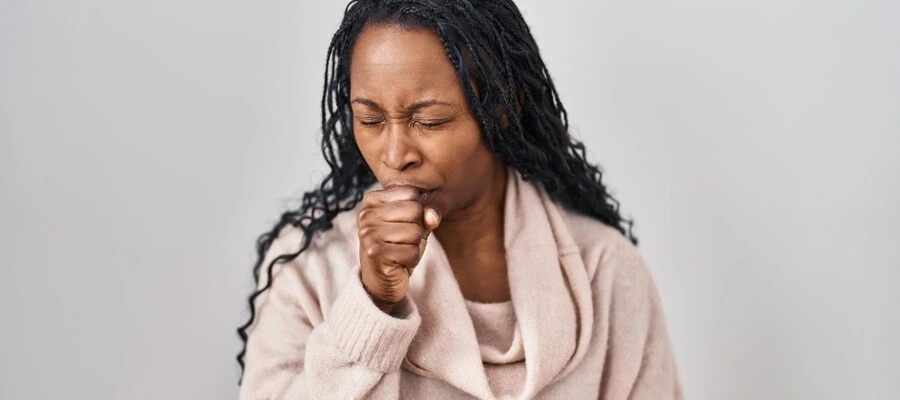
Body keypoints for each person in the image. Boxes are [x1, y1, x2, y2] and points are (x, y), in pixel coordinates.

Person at [236, 0, 683, 398]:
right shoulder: (309, 268)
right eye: (370, 120)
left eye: (429, 121)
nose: (394, 157)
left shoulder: (604, 274)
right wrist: (370, 304)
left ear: (503, 106)